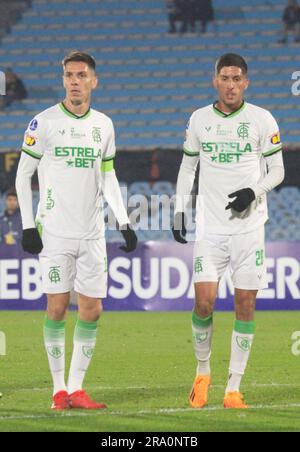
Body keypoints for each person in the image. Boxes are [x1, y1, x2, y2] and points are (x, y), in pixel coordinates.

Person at [16, 51, 137, 410]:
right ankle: (58, 390)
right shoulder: (43, 122)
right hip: (53, 231)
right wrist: (27, 225)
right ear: (63, 79)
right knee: (56, 306)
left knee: (93, 309)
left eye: (81, 75)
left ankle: (77, 388)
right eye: (69, 75)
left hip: (92, 234)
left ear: (94, 81)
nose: (74, 81)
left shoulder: (104, 125)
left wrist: (124, 219)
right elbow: (22, 175)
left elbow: (108, 175)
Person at [172, 53, 284, 409]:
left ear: (246, 82)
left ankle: (233, 387)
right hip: (210, 229)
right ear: (215, 81)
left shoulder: (262, 119)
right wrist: (178, 209)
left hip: (249, 229)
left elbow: (278, 170)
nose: (231, 85)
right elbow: (188, 168)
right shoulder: (199, 119)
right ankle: (203, 373)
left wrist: (255, 191)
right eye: (225, 78)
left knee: (245, 302)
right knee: (204, 303)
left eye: (237, 79)